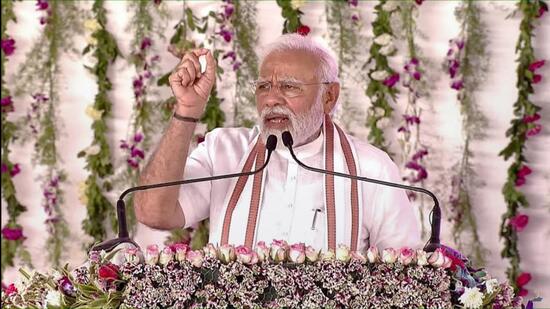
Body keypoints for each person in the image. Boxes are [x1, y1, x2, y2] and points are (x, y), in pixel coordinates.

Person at [134, 34, 421, 252]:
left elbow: (403, 274)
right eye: (263, 87)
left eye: (289, 86)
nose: (271, 99)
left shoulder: (371, 170)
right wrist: (187, 110)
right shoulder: (223, 151)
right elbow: (152, 212)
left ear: (329, 97)